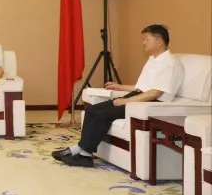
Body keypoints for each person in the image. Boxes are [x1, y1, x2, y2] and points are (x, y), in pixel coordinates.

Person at [53, 24, 183, 168]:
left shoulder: (170, 64)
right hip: (139, 97)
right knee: (91, 110)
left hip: (150, 103)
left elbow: (155, 93)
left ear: (159, 42)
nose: (143, 42)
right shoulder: (153, 60)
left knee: (102, 115)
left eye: (146, 39)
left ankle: (83, 154)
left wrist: (126, 101)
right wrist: (120, 87)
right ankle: (82, 152)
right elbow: (141, 87)